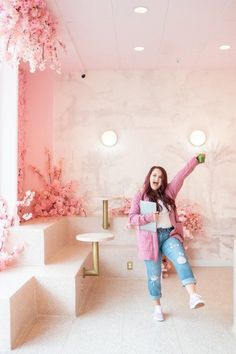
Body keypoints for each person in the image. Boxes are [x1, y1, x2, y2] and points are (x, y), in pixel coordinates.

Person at [129, 154, 206, 321]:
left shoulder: (169, 193)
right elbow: (132, 218)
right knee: (154, 275)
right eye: (154, 175)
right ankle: (157, 307)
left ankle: (193, 296)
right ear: (149, 177)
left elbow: (182, 174)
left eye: (160, 177)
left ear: (164, 181)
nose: (157, 178)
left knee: (181, 259)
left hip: (169, 235)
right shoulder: (140, 196)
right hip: (150, 240)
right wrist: (149, 218)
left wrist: (196, 160)